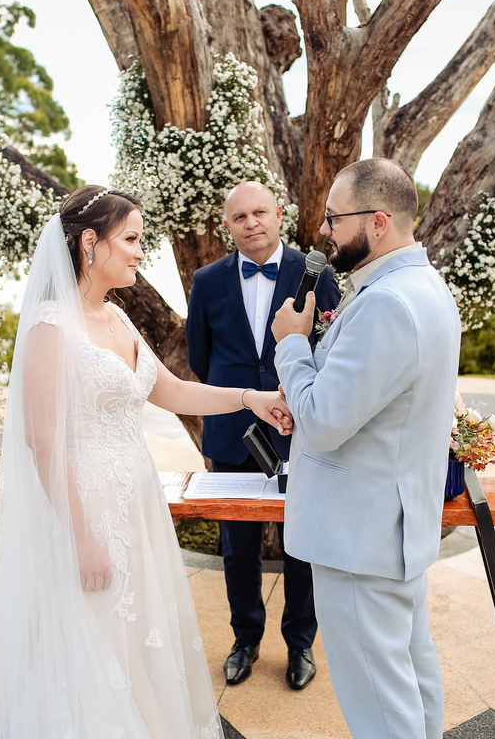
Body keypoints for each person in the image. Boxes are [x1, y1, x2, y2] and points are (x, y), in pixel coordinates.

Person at [0, 185, 294, 739]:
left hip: (134, 503)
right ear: (90, 243)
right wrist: (81, 538)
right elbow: (42, 442)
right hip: (84, 510)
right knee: (100, 642)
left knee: (136, 635)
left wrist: (251, 399)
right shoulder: (51, 326)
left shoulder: (115, 317)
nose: (142, 252)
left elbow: (168, 390)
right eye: (133, 239)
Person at [270, 159, 461, 739]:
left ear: (378, 222)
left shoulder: (385, 302)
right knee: (410, 676)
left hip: (359, 538)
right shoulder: (424, 289)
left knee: (378, 701)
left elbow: (325, 421)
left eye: (334, 218)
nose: (324, 230)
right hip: (393, 528)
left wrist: (293, 347)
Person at [186, 181, 339, 690]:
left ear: (279, 214)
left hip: (301, 430)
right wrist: (241, 400)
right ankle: (245, 639)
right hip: (232, 433)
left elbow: (333, 348)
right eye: (238, 217)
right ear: (227, 226)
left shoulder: (315, 273)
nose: (250, 223)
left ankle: (300, 644)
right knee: (238, 547)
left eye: (259, 213)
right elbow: (200, 360)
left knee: (301, 543)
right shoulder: (206, 281)